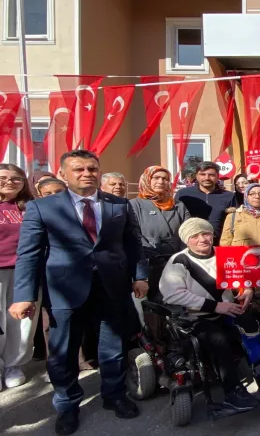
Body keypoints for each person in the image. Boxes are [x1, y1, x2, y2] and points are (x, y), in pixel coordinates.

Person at [10, 149, 148, 435]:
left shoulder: (118, 204)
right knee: (63, 352)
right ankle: (67, 404)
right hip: (64, 290)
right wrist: (24, 295)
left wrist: (140, 276)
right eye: (79, 169)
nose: (87, 174)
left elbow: (133, 244)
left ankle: (114, 395)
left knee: (112, 348)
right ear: (63, 174)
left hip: (112, 287)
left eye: (92, 169)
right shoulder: (42, 207)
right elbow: (29, 254)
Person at [159, 218, 260, 412]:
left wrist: (247, 289)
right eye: (195, 236)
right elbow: (172, 294)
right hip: (196, 317)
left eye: (205, 233)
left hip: (228, 310)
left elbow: (242, 276)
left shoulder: (224, 255)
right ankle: (232, 392)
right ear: (186, 240)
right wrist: (215, 306)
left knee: (257, 325)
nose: (202, 239)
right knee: (219, 340)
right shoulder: (178, 261)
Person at [130, 166, 191, 304]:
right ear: (147, 180)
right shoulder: (134, 204)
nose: (161, 181)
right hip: (147, 262)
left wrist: (181, 255)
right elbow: (134, 234)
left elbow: (187, 230)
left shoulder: (178, 205)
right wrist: (150, 252)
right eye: (156, 178)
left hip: (174, 261)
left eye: (165, 179)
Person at [0, 164, 37, 390]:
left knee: (22, 321)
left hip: (25, 270)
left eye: (17, 179)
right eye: (4, 178)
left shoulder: (29, 207)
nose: (10, 182)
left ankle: (14, 365)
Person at [220, 183, 260, 312]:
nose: (257, 196)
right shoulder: (233, 216)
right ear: (246, 196)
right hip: (242, 270)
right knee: (242, 307)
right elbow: (225, 245)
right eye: (252, 194)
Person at [175, 161, 236, 244]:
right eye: (203, 174)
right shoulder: (183, 194)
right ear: (196, 176)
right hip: (190, 244)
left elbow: (234, 221)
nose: (207, 178)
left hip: (220, 244)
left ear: (217, 176)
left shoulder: (228, 196)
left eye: (211, 175)